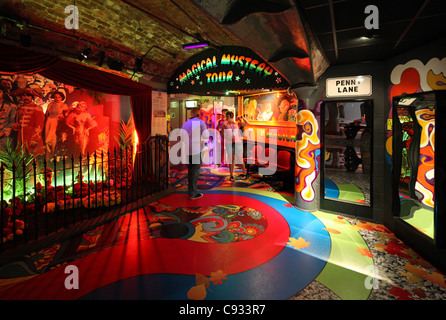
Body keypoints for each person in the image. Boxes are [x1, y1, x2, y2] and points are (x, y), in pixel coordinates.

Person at [182, 107, 207, 200]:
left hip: (188, 150)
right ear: (198, 114)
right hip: (196, 150)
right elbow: (205, 135)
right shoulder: (201, 122)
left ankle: (191, 191)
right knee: (195, 171)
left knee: (190, 170)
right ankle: (193, 193)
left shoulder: (185, 123)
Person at [12, 88, 45, 156]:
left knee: (33, 157)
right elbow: (17, 121)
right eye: (24, 96)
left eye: (28, 96)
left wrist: (35, 139)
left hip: (32, 136)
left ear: (32, 97)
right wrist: (16, 126)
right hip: (21, 136)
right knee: (22, 157)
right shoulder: (20, 108)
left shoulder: (37, 108)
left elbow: (39, 124)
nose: (26, 97)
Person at [223, 111, 247, 182]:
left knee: (240, 159)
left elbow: (247, 123)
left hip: (238, 143)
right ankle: (231, 175)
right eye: (226, 117)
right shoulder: (225, 125)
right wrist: (228, 137)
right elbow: (222, 134)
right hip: (229, 143)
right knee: (231, 160)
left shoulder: (237, 124)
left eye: (228, 116)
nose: (226, 118)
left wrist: (242, 118)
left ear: (231, 117)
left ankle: (244, 173)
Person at [44, 91, 68, 160]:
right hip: (49, 121)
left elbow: (65, 115)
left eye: (59, 97)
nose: (57, 99)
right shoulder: (50, 104)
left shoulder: (64, 105)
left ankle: (53, 154)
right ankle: (47, 155)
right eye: (56, 97)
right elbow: (47, 114)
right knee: (47, 138)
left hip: (57, 122)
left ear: (61, 98)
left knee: (53, 138)